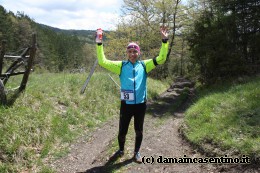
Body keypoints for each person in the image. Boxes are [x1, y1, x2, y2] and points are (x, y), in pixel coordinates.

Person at [96, 26, 169, 163]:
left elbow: (161, 58)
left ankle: (136, 152)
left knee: (139, 131)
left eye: (135, 51)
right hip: (126, 104)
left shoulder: (144, 65)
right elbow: (102, 62)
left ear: (138, 53)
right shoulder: (121, 66)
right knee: (122, 131)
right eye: (130, 51)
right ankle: (121, 149)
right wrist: (99, 43)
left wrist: (165, 42)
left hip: (140, 104)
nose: (132, 54)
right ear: (127, 53)